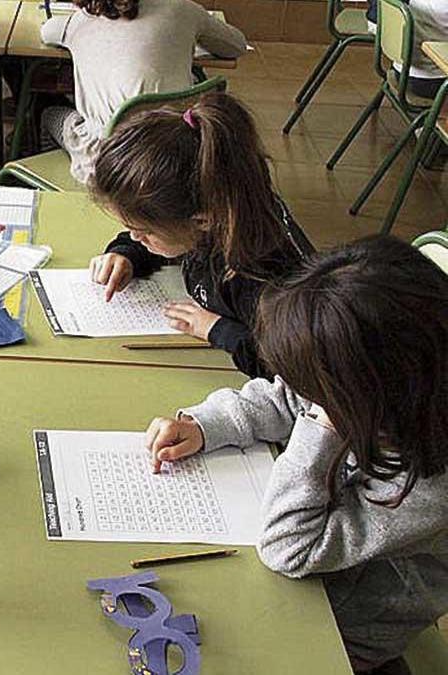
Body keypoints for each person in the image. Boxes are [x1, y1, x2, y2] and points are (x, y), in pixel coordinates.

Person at [144, 236, 448, 675]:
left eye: (323, 395)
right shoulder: (378, 387)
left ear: (361, 396)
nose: (307, 397)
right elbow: (288, 398)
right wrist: (205, 425)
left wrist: (321, 424)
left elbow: (289, 547)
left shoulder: (427, 487)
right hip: (309, 577)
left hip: (346, 630)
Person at [88, 91, 312, 377]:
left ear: (202, 221)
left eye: (142, 232)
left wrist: (218, 330)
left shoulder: (263, 281)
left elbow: (290, 369)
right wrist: (126, 254)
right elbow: (168, 236)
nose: (134, 238)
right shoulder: (217, 207)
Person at [39, 0, 247, 185]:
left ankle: (51, 191)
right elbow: (236, 45)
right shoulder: (185, 10)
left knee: (48, 112)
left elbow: (46, 31)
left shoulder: (77, 24)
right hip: (176, 157)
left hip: (107, 165)